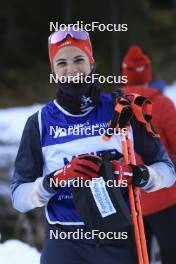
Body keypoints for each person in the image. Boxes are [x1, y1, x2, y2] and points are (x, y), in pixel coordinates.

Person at [11, 28, 175, 264]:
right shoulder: (39, 123)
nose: (72, 69)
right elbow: (19, 197)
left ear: (91, 63)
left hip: (117, 237)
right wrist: (56, 180)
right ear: (53, 71)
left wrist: (136, 174)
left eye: (79, 59)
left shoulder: (122, 110)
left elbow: (167, 171)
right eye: (62, 63)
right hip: (64, 240)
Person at [122, 45, 176, 264]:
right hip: (166, 198)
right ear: (148, 73)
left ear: (124, 74)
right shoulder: (162, 104)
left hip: (128, 202)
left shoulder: (112, 106)